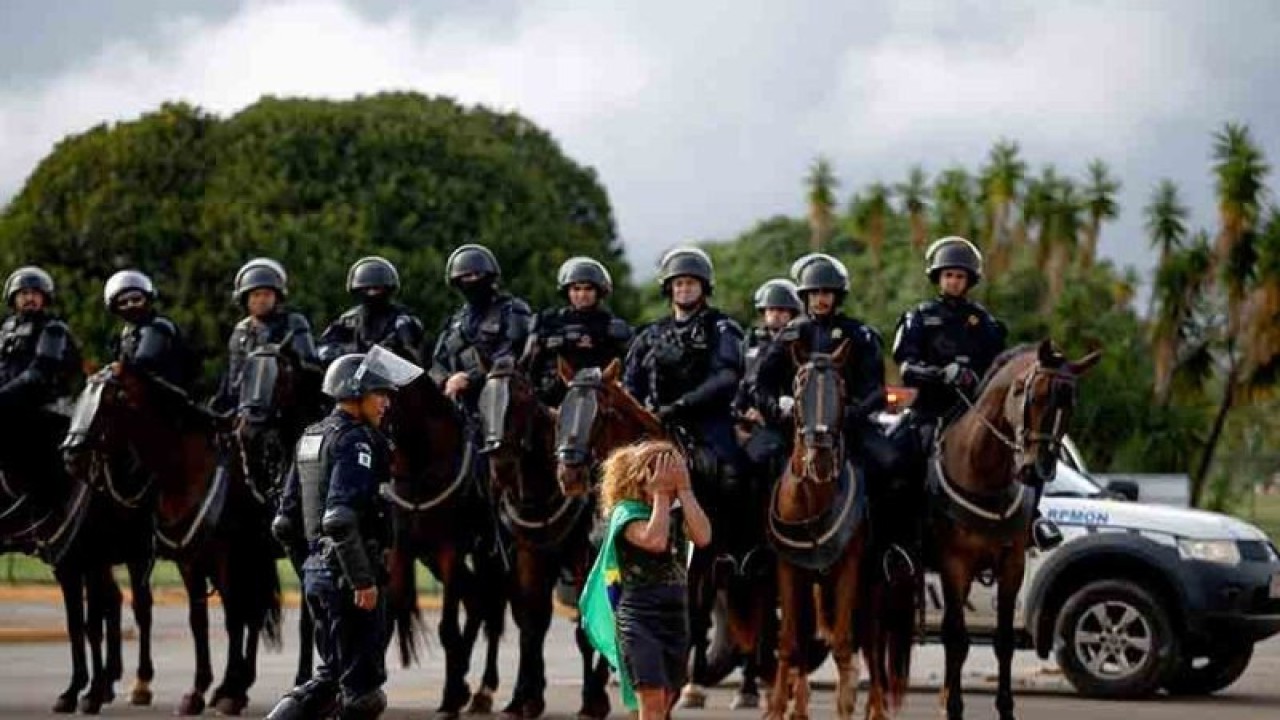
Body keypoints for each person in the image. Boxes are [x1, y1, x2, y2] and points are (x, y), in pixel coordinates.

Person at [266, 346, 423, 720]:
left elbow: (284, 523)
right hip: (350, 580)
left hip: (321, 579)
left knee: (329, 677)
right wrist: (360, 580)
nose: (385, 403)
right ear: (355, 394)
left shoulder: (311, 437)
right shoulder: (357, 441)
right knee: (363, 693)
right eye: (379, 394)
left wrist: (312, 569)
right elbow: (339, 518)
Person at [622, 247, 742, 705]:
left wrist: (681, 406)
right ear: (668, 289)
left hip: (705, 425)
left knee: (735, 472)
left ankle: (735, 552)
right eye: (677, 283)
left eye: (691, 283)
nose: (684, 288)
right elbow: (630, 381)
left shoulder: (721, 327)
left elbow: (728, 376)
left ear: (703, 288)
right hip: (653, 427)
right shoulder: (650, 334)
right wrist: (642, 411)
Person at [892, 236, 1062, 550]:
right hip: (931, 409)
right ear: (938, 278)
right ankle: (899, 535)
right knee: (894, 456)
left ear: (969, 281)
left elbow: (999, 366)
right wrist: (942, 374)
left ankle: (1034, 518)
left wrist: (977, 377)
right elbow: (906, 366)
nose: (954, 281)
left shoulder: (984, 322)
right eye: (949, 275)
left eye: (960, 276)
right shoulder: (919, 316)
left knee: (1030, 451)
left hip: (978, 410)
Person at [752, 254, 902, 575]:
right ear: (805, 297)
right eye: (814, 293)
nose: (821, 299)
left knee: (891, 464)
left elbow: (876, 391)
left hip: (849, 427)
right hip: (792, 429)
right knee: (747, 465)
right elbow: (760, 386)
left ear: (837, 297)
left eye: (827, 293)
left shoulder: (859, 335)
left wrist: (847, 415)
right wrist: (778, 407)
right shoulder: (789, 335)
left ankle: (889, 549)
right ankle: (754, 550)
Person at [579, 440, 712, 720]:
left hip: (675, 617)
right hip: (640, 618)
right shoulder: (625, 513)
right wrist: (661, 496)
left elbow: (703, 537)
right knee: (650, 706)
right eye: (663, 472)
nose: (671, 479)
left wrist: (686, 491)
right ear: (642, 479)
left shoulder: (677, 511)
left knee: (665, 704)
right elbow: (655, 540)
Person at [0, 266, 81, 516]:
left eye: (36, 293)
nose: (30, 298)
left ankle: (45, 505)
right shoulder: (5, 329)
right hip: (10, 407)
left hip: (46, 411)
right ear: (13, 298)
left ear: (45, 298)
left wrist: (2, 397)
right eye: (23, 293)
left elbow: (40, 374)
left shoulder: (53, 329)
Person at [428, 243, 531, 414]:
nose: (473, 280)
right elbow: (438, 363)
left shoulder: (512, 310)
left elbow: (512, 353)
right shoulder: (455, 322)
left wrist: (470, 377)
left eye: (478, 274)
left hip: (504, 403)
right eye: (466, 276)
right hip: (460, 406)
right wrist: (447, 380)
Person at [213, 258, 321, 413]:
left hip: (289, 409)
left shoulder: (293, 323)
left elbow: (311, 373)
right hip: (246, 408)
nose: (261, 300)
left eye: (267, 294)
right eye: (256, 295)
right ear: (246, 299)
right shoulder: (241, 331)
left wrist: (289, 361)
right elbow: (233, 382)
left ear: (276, 297)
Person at [521, 256, 631, 407]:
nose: (582, 295)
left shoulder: (612, 326)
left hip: (599, 401)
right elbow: (530, 366)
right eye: (576, 289)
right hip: (552, 400)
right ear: (567, 291)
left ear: (598, 291)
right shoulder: (548, 323)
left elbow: (627, 371)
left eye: (588, 289)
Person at [733, 278, 803, 480]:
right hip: (749, 417)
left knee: (762, 457)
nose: (776, 315)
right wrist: (741, 411)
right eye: (771, 309)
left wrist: (780, 409)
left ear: (791, 314)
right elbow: (741, 381)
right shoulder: (750, 343)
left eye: (782, 310)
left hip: (784, 419)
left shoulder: (798, 345)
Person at [317, 256, 426, 366]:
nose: (372, 293)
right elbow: (323, 351)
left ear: (389, 289)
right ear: (357, 290)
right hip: (352, 378)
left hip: (389, 380)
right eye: (367, 289)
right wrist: (347, 351)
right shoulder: (347, 321)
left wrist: (392, 352)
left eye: (377, 289)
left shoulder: (402, 321)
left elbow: (414, 359)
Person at [104, 270, 196, 393]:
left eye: (136, 299)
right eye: (123, 303)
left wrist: (118, 370)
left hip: (168, 401)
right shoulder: (125, 335)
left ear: (148, 300)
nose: (131, 305)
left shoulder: (157, 327)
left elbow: (145, 360)